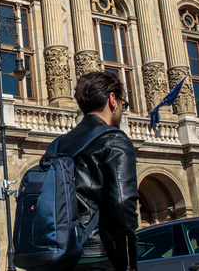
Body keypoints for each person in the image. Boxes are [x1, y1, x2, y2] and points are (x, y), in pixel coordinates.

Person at [66, 71, 138, 270]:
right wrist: (128, 264)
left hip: (62, 255)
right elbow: (123, 207)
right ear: (112, 100)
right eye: (124, 103)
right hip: (98, 255)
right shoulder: (115, 140)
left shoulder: (59, 144)